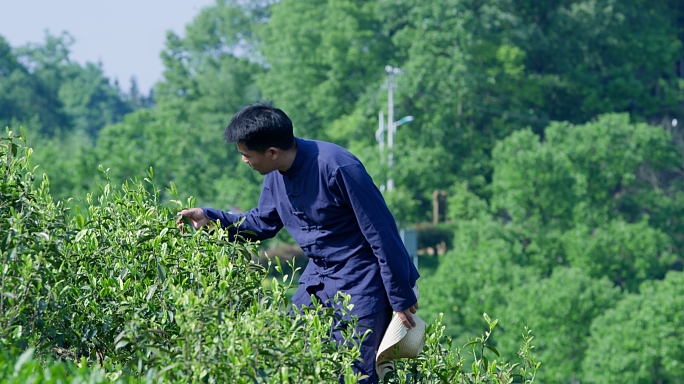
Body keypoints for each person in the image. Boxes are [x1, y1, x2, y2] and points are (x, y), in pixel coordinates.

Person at [178, 101, 419, 383]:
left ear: (271, 152)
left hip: (361, 281)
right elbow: (262, 223)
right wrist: (211, 219)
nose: (244, 160)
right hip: (317, 279)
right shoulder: (274, 174)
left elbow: (382, 233)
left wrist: (400, 296)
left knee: (354, 375)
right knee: (296, 358)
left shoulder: (338, 167)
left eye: (246, 154)